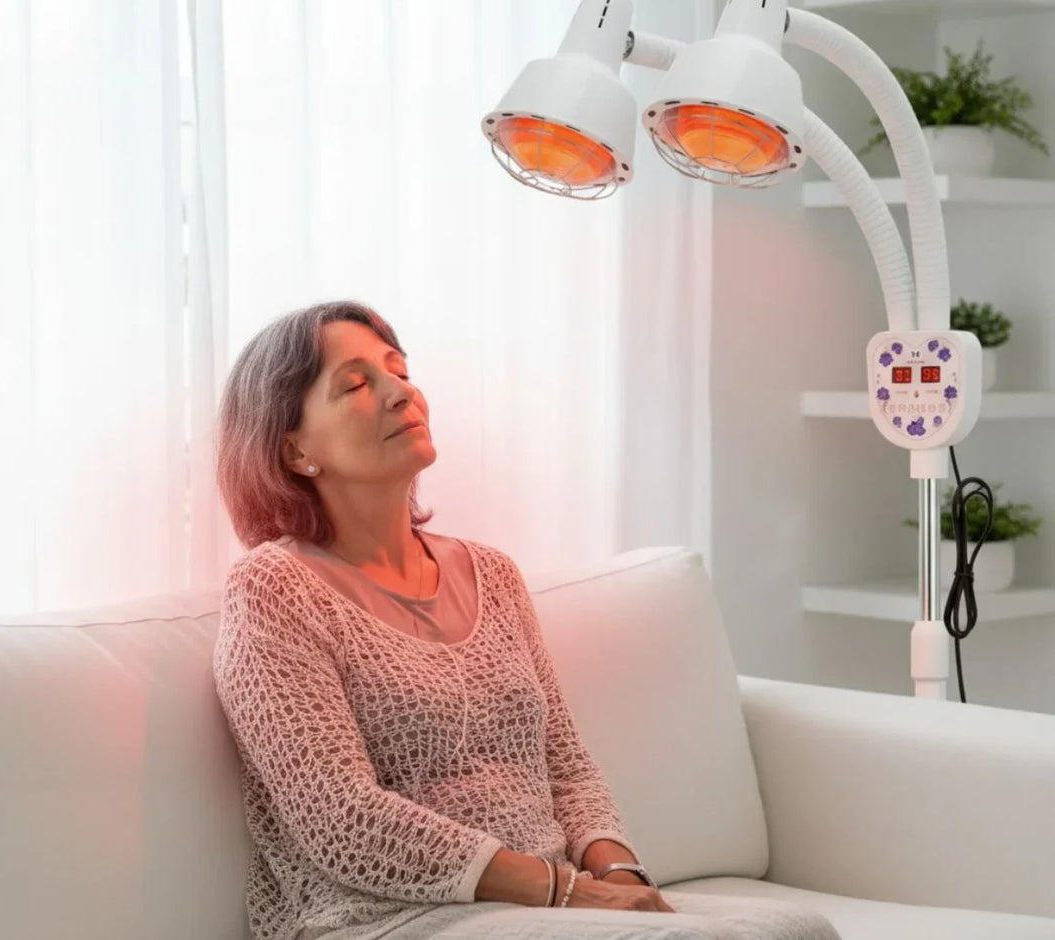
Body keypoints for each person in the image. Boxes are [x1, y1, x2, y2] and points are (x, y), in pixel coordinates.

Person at [212, 300, 841, 940]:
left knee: (799, 927)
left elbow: (565, 764)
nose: (401, 392)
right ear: (295, 450)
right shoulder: (273, 588)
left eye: (399, 369)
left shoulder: (494, 574)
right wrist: (561, 891)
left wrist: (620, 877)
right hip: (384, 918)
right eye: (355, 383)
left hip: (541, 906)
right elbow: (339, 818)